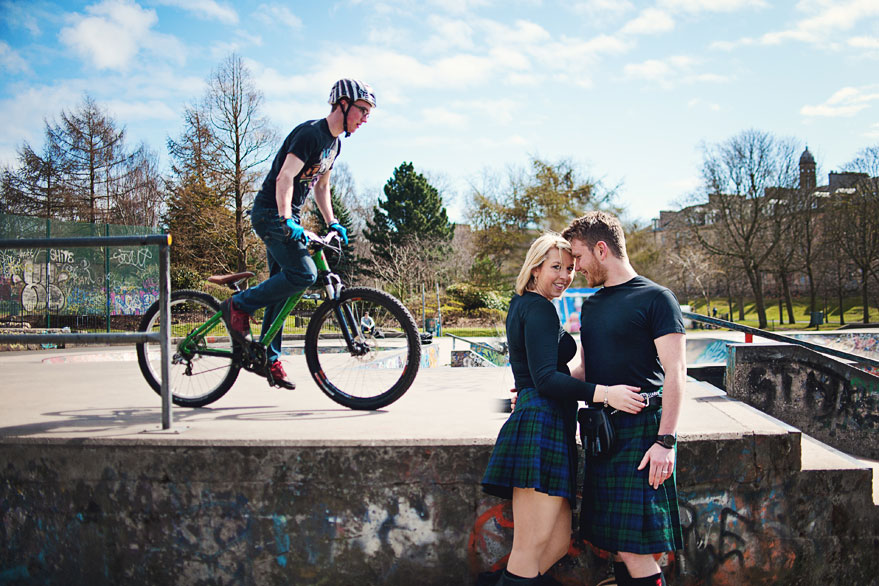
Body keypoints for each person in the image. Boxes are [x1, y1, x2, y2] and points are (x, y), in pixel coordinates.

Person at [480, 233, 644, 586]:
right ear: (536, 267)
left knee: (555, 543)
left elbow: (541, 376)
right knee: (529, 547)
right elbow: (544, 379)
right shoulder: (536, 307)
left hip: (550, 422)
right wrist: (604, 394)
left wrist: (532, 389)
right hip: (541, 427)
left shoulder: (527, 304)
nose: (565, 276)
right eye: (556, 267)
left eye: (570, 268)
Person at [220, 79, 376, 389]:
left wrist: (332, 223)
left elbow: (321, 186)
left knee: (285, 287)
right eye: (362, 110)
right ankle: (239, 306)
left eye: (368, 113)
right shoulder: (310, 134)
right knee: (304, 274)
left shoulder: (335, 145)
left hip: (287, 216)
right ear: (342, 105)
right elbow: (285, 177)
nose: (365, 118)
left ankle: (267, 355)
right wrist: (285, 219)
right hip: (271, 213)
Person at [561, 211, 686, 586]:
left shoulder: (657, 299)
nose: (575, 267)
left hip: (642, 432)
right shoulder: (594, 306)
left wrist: (666, 442)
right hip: (603, 433)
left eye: (579, 257)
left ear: (602, 249)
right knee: (617, 544)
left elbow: (676, 373)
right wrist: (540, 384)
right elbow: (586, 369)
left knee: (635, 549)